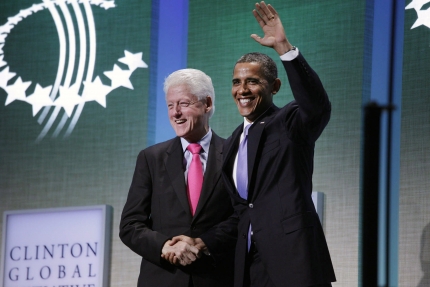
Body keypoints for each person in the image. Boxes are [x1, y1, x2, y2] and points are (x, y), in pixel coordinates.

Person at [171, 2, 336, 286]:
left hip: (294, 263)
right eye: (236, 82)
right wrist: (202, 241)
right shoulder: (233, 141)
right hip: (249, 269)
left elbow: (317, 105)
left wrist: (284, 48)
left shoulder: (290, 122)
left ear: (274, 87)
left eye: (252, 81)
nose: (242, 90)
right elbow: (243, 213)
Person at [119, 68, 236, 287]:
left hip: (217, 278)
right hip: (163, 278)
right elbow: (130, 225)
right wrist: (165, 246)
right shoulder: (151, 158)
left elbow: (243, 216)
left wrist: (204, 243)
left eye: (183, 104)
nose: (175, 113)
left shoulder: (234, 153)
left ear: (207, 104)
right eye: (170, 106)